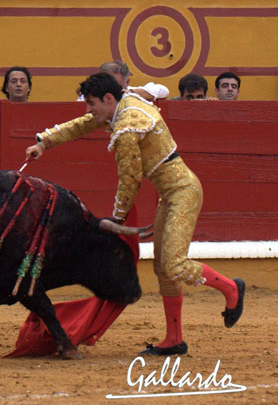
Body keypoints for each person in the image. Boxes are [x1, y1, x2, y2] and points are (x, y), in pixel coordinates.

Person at [25, 72, 245, 356]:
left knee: (175, 265)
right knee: (164, 269)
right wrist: (44, 142)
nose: (88, 109)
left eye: (91, 103)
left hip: (183, 193)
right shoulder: (124, 101)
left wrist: (117, 218)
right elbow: (83, 124)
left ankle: (231, 289)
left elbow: (130, 179)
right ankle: (174, 339)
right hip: (172, 193)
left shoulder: (128, 126)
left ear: (107, 98)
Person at [77, 60, 169, 102]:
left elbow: (164, 91)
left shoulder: (130, 92)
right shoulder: (86, 97)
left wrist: (132, 92)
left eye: (116, 87)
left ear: (127, 82)